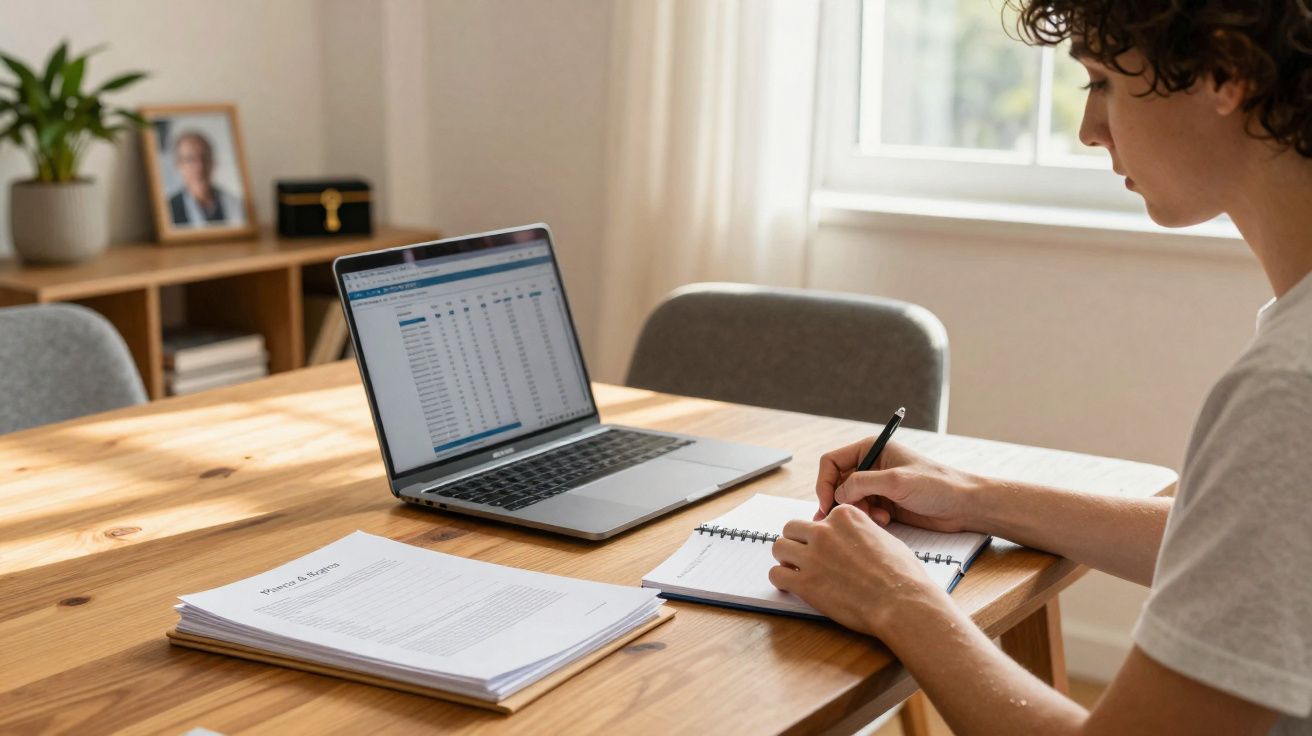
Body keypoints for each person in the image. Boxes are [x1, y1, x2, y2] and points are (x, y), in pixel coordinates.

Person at [769, 1, 1312, 733]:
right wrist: (974, 496)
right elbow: (1253, 548)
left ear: (1225, 71)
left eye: (1102, 83)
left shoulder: (1289, 388)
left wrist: (897, 601)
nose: (1089, 129)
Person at [167, 130, 245, 228]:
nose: (200, 166)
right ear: (178, 165)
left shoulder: (237, 204)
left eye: (204, 157)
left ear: (213, 162)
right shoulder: (167, 210)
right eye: (190, 159)